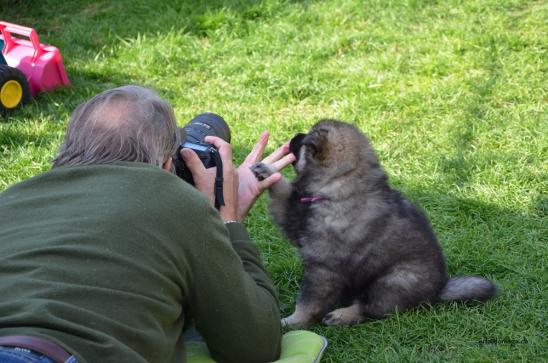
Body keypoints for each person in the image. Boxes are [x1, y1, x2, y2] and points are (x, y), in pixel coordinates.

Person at [0, 85, 295, 363]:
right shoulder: (177, 201)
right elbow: (255, 344)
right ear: (168, 165)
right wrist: (227, 220)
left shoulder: (11, 198)